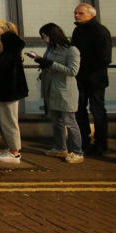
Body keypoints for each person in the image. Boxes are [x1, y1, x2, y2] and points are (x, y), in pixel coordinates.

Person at [28, 23, 83, 163]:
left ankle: (77, 152)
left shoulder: (72, 50)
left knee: (70, 122)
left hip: (65, 90)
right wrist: (40, 59)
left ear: (53, 35)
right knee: (57, 121)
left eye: (44, 36)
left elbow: (73, 71)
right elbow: (49, 62)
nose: (43, 39)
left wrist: (50, 63)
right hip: (51, 88)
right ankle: (60, 148)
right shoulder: (51, 48)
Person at [0, 16, 28, 166]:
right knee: (4, 119)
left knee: (8, 120)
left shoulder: (7, 43)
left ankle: (15, 152)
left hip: (9, 87)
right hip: (7, 86)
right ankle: (11, 148)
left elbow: (2, 65)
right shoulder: (10, 42)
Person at [72, 3, 111, 157]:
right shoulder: (78, 31)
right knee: (80, 110)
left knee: (97, 110)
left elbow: (105, 58)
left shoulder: (100, 32)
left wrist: (85, 68)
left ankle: (100, 144)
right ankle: (85, 141)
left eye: (80, 13)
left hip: (95, 79)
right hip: (82, 78)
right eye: (75, 13)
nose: (76, 15)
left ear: (91, 14)